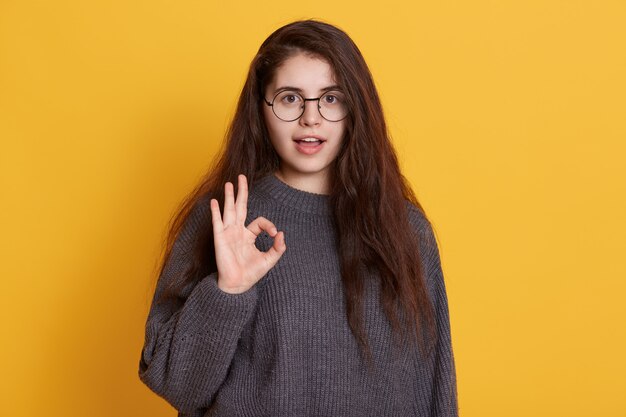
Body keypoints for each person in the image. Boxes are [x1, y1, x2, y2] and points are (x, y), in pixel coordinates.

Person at [138, 19, 458, 417]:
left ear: (354, 107)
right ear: (261, 108)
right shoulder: (225, 220)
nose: (311, 118)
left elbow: (435, 387)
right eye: (290, 98)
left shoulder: (406, 230)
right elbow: (176, 386)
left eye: (330, 98)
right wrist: (227, 292)